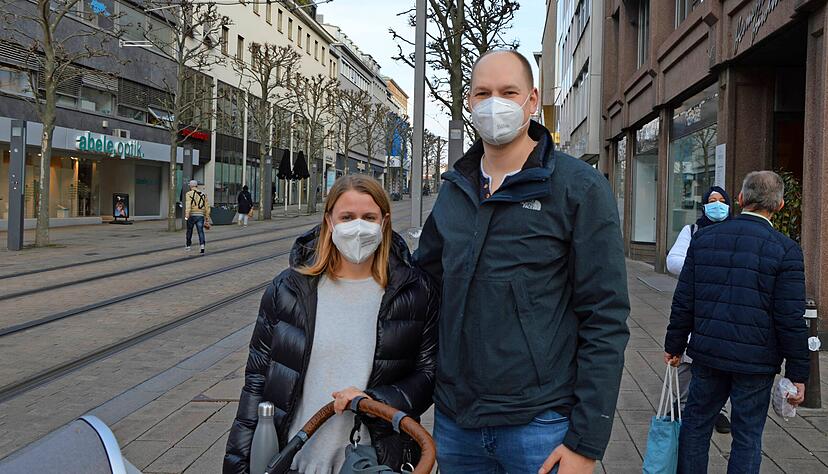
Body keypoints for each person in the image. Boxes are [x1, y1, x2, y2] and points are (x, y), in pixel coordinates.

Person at [414, 49, 630, 473]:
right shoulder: (455, 189)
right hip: (457, 424)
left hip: (540, 424)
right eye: (483, 93)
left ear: (532, 101)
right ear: (470, 104)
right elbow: (424, 291)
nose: (495, 103)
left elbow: (605, 317)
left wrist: (586, 443)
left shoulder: (579, 188)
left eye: (509, 92)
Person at [223, 175, 438, 474]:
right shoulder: (287, 290)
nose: (358, 227)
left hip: (371, 463)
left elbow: (428, 376)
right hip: (295, 460)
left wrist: (375, 401)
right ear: (329, 220)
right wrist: (238, 464)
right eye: (347, 217)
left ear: (385, 221)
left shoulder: (416, 292)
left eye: (369, 217)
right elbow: (257, 382)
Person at [664, 171, 809, 473]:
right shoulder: (786, 250)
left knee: (695, 426)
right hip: (756, 362)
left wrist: (674, 345)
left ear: (740, 199)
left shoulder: (704, 238)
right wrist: (798, 373)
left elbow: (684, 299)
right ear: (780, 205)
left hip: (708, 355)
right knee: (747, 436)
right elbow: (790, 318)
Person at [666, 186, 733, 434]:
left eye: (721, 200)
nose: (717, 205)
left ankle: (720, 409)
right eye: (712, 201)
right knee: (685, 358)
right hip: (695, 303)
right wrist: (707, 269)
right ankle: (682, 402)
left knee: (721, 356)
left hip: (726, 306)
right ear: (704, 206)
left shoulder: (735, 231)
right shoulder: (692, 231)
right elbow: (672, 262)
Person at [184, 180, 211, 253]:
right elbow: (207, 207)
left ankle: (188, 246)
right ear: (197, 186)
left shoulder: (188, 194)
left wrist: (187, 215)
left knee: (189, 231)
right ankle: (202, 246)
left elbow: (188, 205)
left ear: (190, 186)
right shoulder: (203, 194)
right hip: (200, 215)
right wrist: (207, 217)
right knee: (200, 231)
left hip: (191, 215)